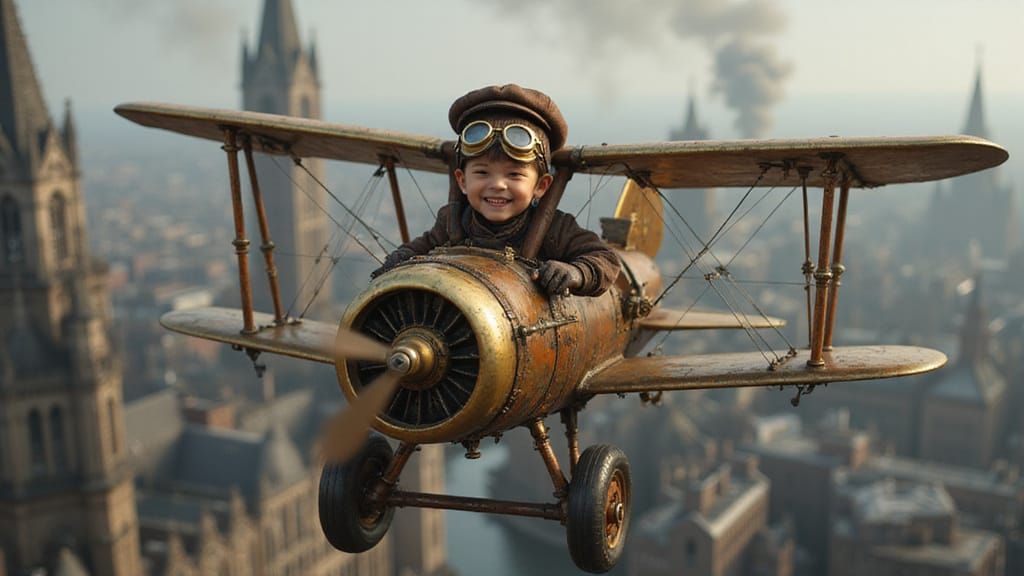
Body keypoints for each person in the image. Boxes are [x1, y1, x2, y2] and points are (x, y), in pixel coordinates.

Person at [372, 84, 619, 297]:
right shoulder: (452, 220)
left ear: (541, 186)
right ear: (462, 181)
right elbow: (420, 248)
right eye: (482, 173)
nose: (498, 184)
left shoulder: (556, 229)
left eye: (514, 175)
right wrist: (398, 260)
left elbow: (606, 259)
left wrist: (576, 272)